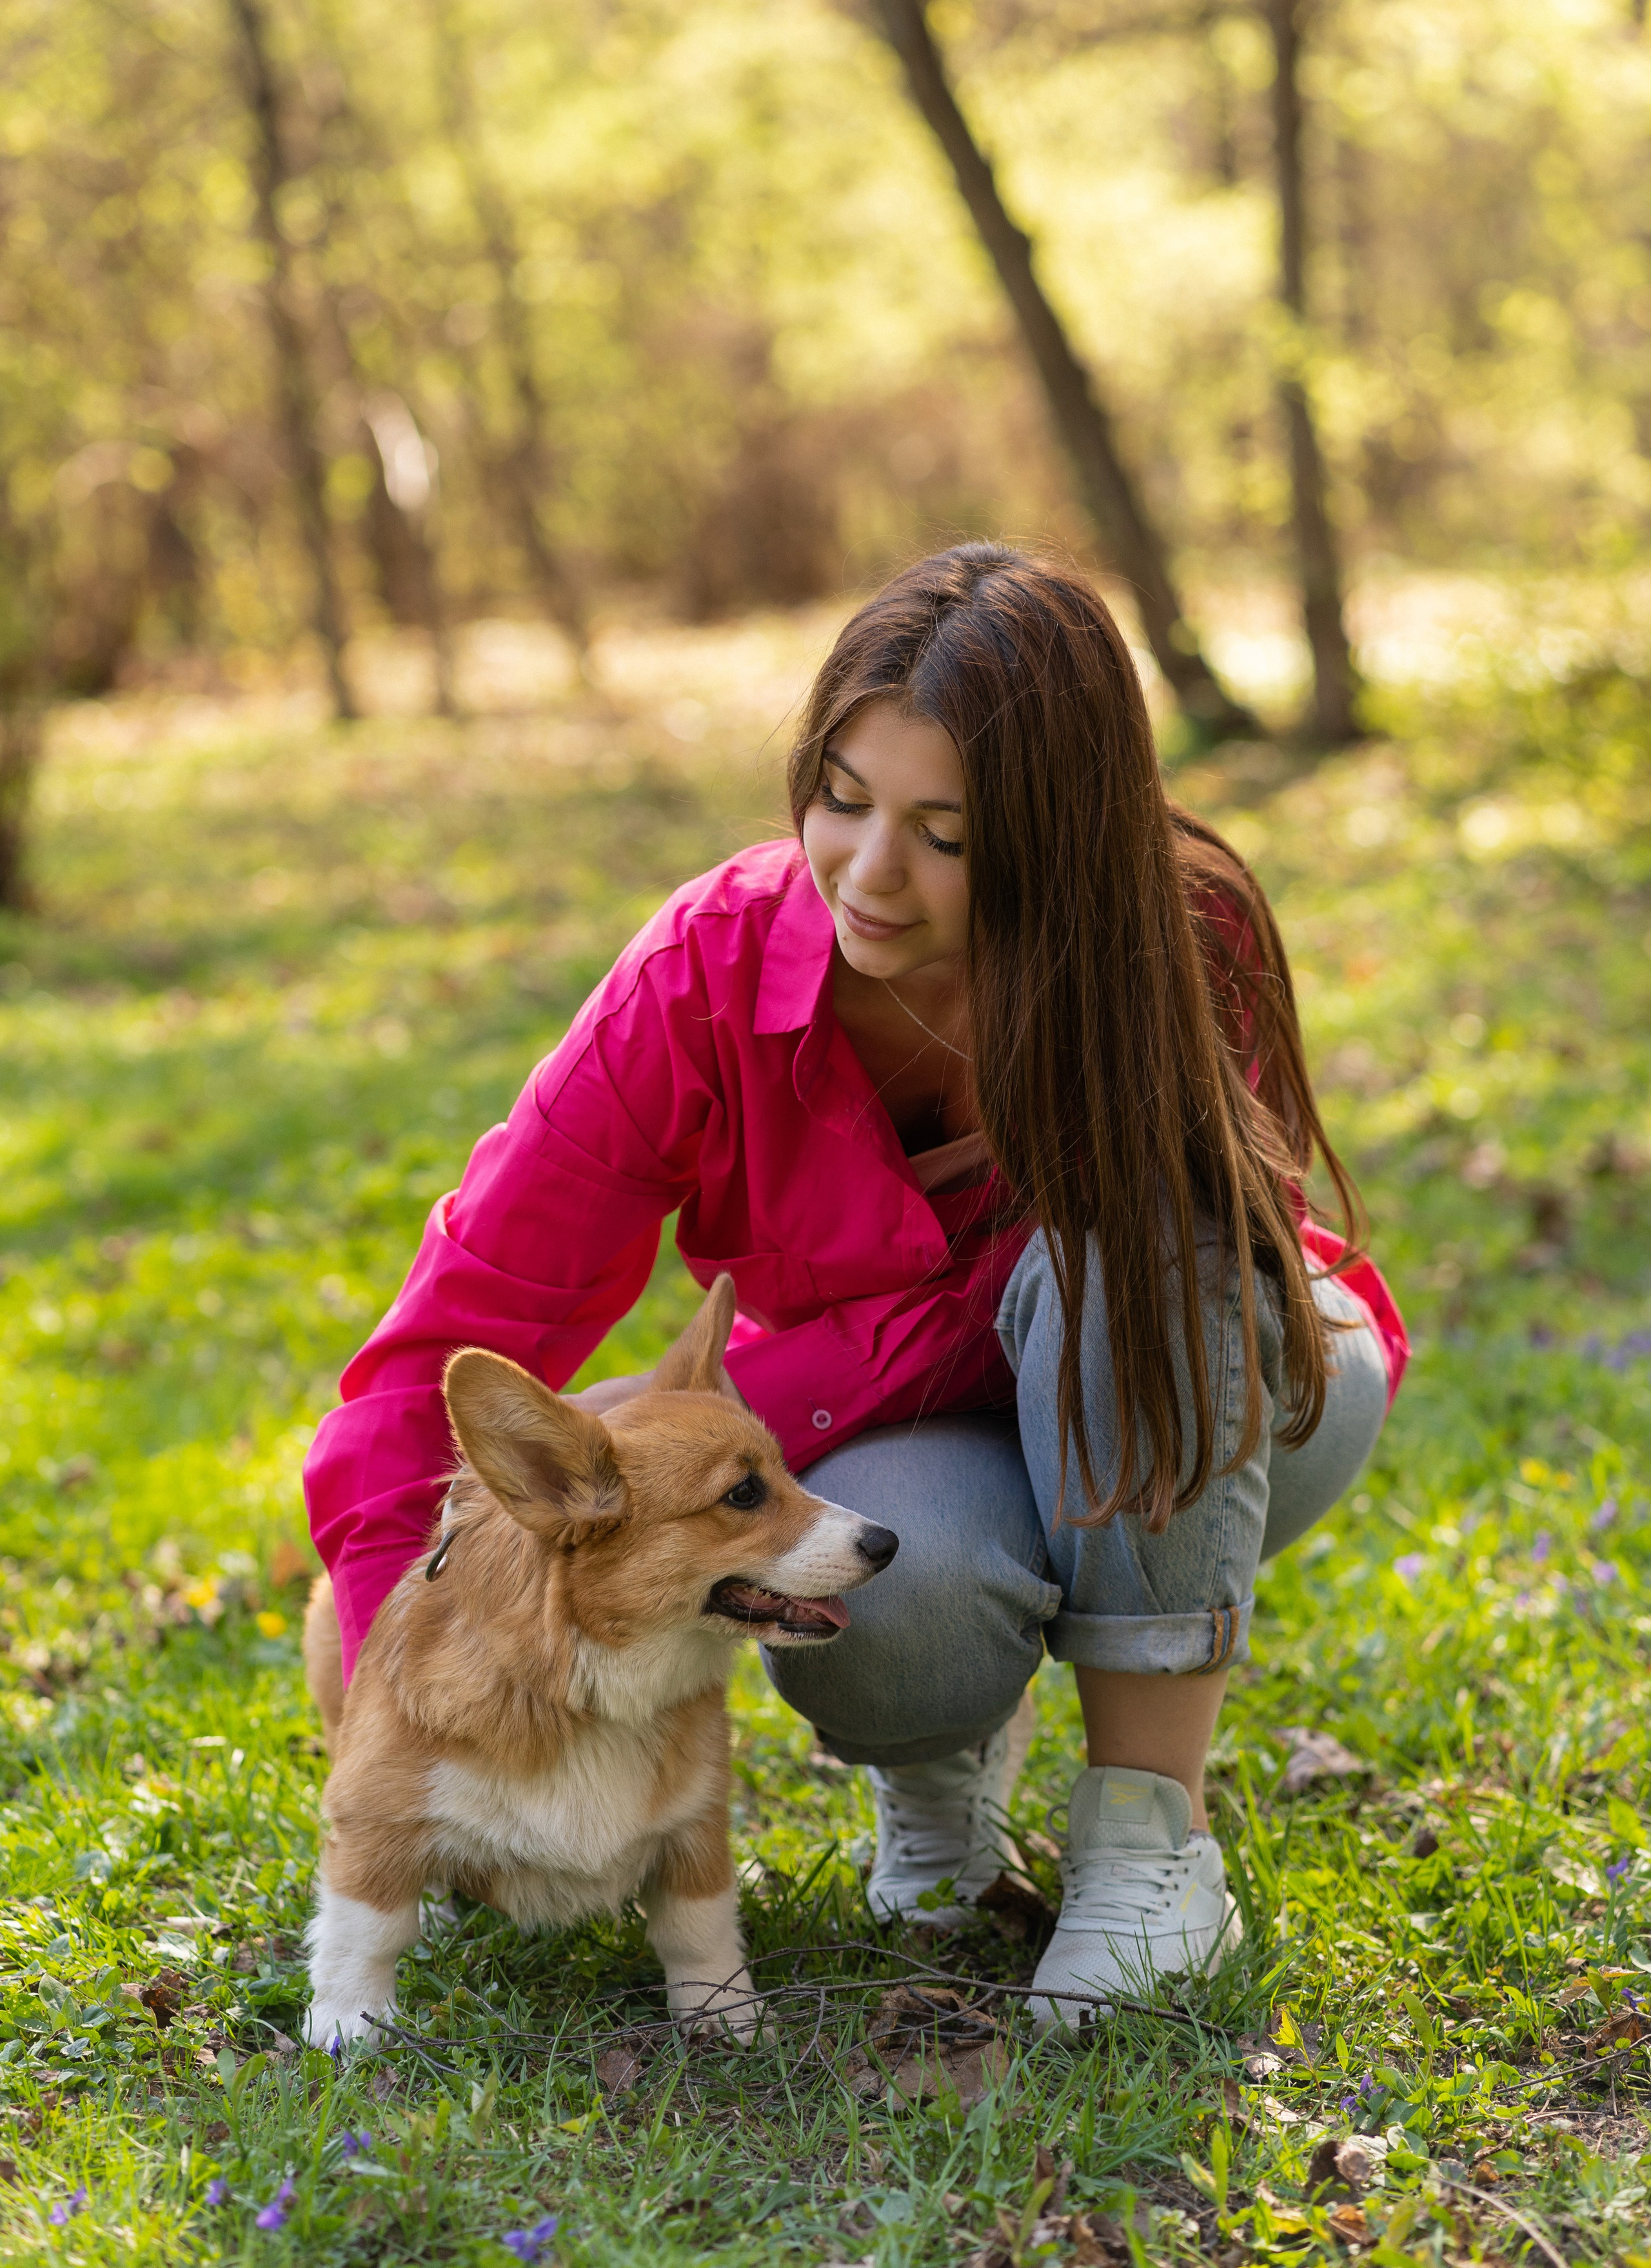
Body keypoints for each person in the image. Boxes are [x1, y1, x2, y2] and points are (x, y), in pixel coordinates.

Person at [304, 545, 1406, 2025]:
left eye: (945, 832)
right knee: (879, 1604)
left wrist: (783, 1384)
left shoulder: (1179, 938)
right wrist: (401, 1681)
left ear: (1057, 838)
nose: (868, 874)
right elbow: (453, 1337)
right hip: (940, 1437)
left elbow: (1203, 1282)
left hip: (1222, 1385)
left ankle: (1150, 1847)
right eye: (841, 800)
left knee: (1128, 1261)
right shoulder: (700, 978)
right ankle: (941, 1783)